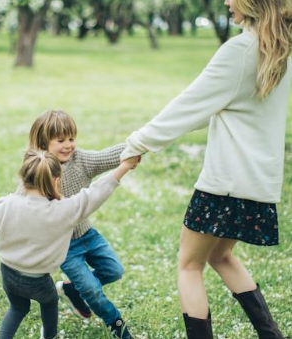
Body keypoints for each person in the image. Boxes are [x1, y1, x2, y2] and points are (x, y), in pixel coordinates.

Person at [120, 0, 292, 338]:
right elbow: (211, 108)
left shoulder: (240, 51)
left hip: (223, 186)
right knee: (222, 257)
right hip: (256, 186)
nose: (227, 1)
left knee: (189, 265)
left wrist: (136, 143)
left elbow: (186, 106)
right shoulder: (279, 49)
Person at [0, 150, 138, 339]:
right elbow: (95, 193)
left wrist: (8, 199)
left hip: (8, 274)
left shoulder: (10, 204)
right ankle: (49, 336)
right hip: (38, 280)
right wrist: (124, 166)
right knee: (49, 303)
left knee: (17, 308)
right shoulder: (63, 211)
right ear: (56, 182)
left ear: (23, 180)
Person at [26, 110, 136, 339]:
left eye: (71, 139)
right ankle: (118, 326)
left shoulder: (82, 160)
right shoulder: (39, 169)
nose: (68, 145)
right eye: (60, 140)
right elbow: (25, 202)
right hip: (64, 245)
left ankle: (70, 289)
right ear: (44, 143)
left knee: (115, 271)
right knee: (92, 291)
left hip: (88, 235)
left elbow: (107, 155)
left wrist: (135, 146)